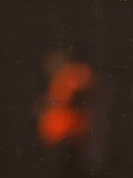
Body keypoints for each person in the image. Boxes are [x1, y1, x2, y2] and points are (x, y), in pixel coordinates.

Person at [36, 48, 94, 178]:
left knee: (67, 169)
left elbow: (80, 92)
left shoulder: (72, 77)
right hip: (55, 139)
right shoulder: (57, 82)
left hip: (68, 137)